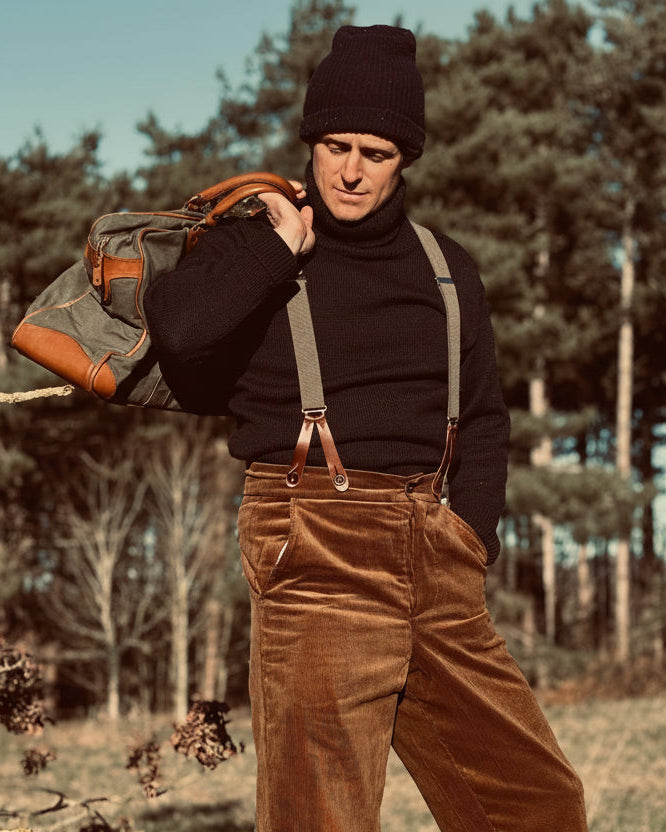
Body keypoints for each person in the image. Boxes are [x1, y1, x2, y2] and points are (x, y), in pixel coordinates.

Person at [144, 24, 588, 832]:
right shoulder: (258, 246)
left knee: (537, 804)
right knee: (325, 819)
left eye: (375, 153)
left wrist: (470, 541)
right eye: (335, 145)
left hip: (439, 554)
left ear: (405, 158)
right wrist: (278, 246)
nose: (350, 170)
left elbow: (487, 420)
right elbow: (179, 331)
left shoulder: (449, 267)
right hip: (315, 549)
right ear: (310, 141)